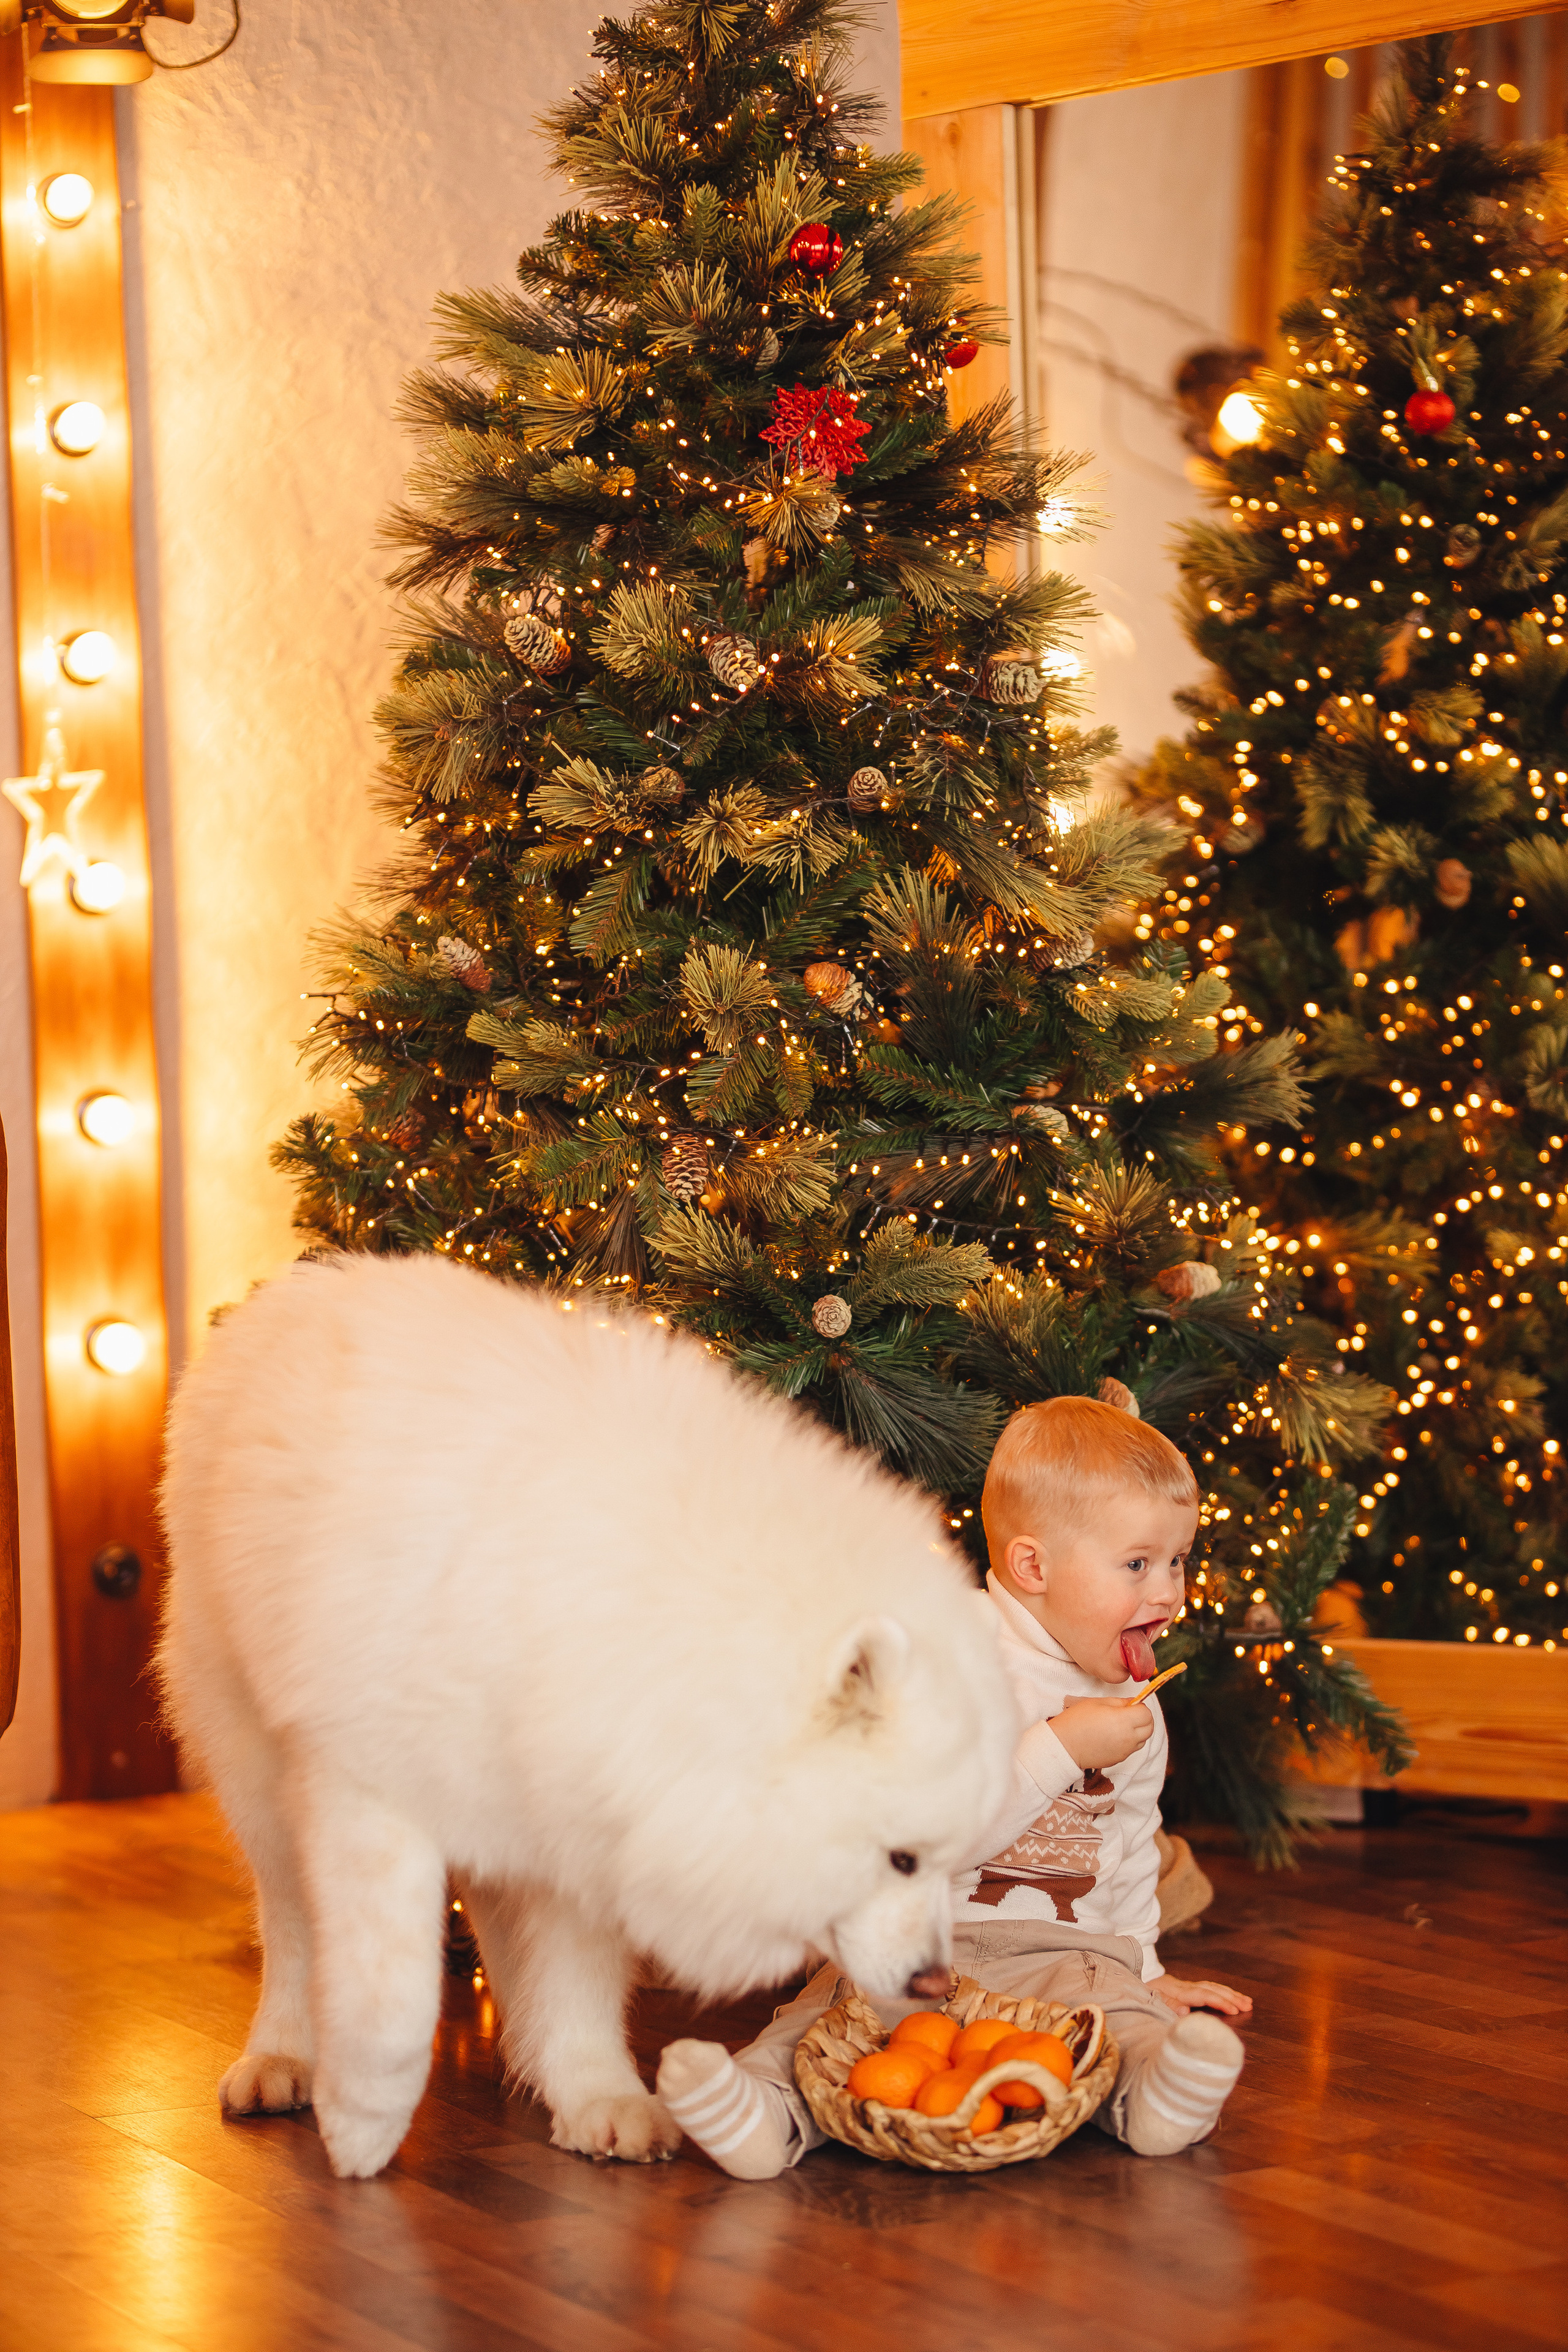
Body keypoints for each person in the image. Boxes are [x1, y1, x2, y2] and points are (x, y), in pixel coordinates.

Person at [657, 1394, 1253, 2176]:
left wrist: (1145, 1970)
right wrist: (1058, 1750)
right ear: (1032, 1566)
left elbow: (1130, 1846)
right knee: (830, 2025)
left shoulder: (1135, 1704)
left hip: (1064, 1948)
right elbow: (919, 1832)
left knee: (1117, 2020)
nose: (1169, 1592)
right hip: (919, 1935)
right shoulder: (955, 1654)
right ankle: (764, 2110)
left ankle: (1153, 2096)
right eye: (1137, 1565)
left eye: (1177, 1560)